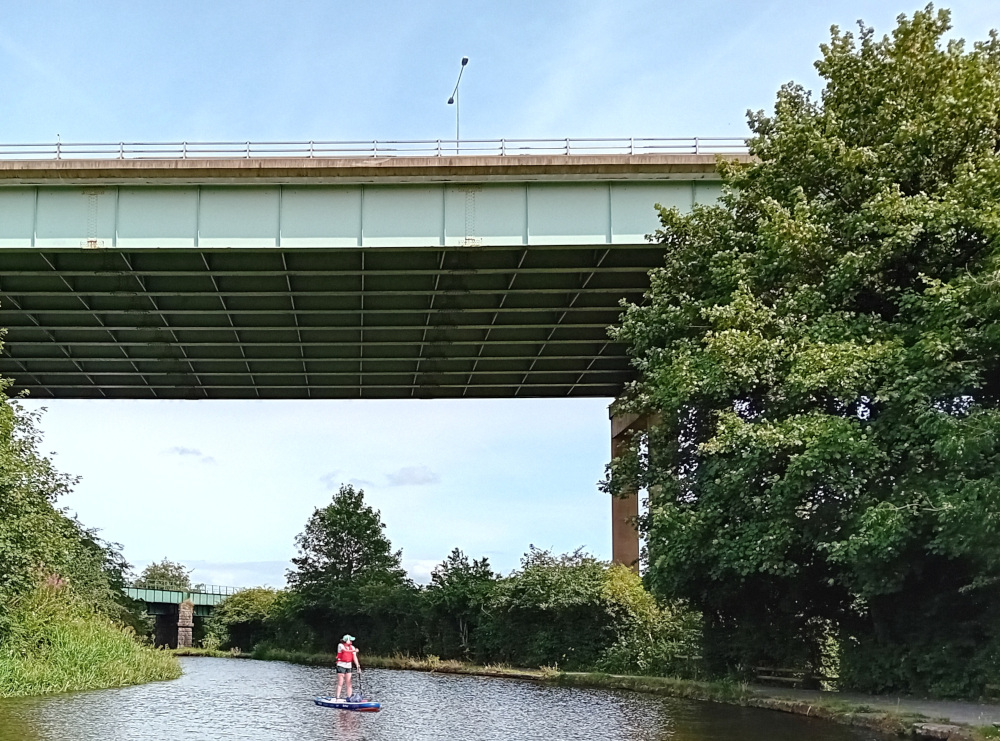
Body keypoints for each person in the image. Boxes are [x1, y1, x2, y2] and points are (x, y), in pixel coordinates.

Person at [334, 634, 361, 700]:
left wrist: (358, 666)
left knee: (349, 682)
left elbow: (354, 657)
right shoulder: (340, 645)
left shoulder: (352, 647)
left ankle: (349, 697)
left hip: (348, 666)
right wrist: (354, 651)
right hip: (341, 665)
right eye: (350, 640)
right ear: (347, 640)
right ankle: (337, 697)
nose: (351, 641)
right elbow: (345, 651)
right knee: (341, 681)